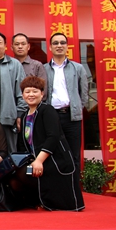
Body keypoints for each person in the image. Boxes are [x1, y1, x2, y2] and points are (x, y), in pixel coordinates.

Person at [16, 76, 85, 211]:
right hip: (36, 159)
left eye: (35, 91)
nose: (31, 94)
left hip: (54, 159)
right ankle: (38, 201)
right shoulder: (24, 115)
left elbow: (53, 137)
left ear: (42, 94)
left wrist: (39, 161)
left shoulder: (47, 110)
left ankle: (48, 202)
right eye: (27, 91)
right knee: (18, 174)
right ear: (23, 95)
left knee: (29, 174)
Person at [43, 32, 89, 181]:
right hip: (52, 117)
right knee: (53, 152)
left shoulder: (78, 68)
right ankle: (57, 189)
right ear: (50, 47)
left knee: (73, 154)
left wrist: (76, 108)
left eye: (62, 43)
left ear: (67, 46)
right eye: (55, 43)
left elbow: (84, 94)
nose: (59, 46)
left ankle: (74, 189)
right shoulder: (44, 69)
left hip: (71, 117)